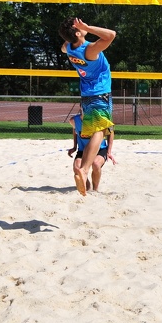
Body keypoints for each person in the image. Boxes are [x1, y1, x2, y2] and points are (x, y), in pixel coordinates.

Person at [59, 17, 116, 196]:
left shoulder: (69, 48)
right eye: (78, 25)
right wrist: (88, 28)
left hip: (87, 95)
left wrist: (73, 34)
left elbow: (64, 45)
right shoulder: (89, 50)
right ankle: (84, 170)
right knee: (100, 132)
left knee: (95, 131)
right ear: (77, 32)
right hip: (100, 95)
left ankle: (84, 169)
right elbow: (111, 35)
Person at [68, 113, 115, 192]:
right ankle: (87, 187)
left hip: (100, 149)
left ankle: (95, 189)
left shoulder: (100, 118)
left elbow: (111, 130)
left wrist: (109, 151)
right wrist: (74, 147)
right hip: (83, 150)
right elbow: (75, 130)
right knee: (77, 168)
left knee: (96, 164)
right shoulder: (74, 120)